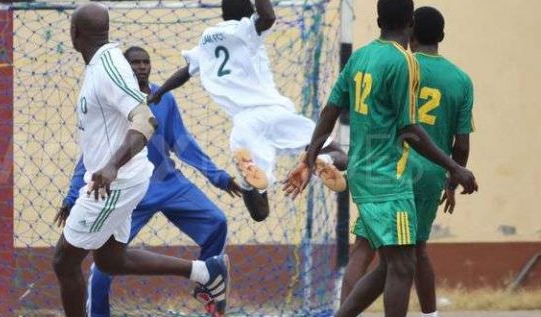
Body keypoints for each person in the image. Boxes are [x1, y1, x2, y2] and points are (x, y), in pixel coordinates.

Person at [53, 4, 230, 317]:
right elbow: (95, 144)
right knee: (109, 260)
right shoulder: (98, 66)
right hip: (114, 181)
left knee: (64, 261)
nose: (141, 67)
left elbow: (145, 121)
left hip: (115, 183)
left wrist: (112, 166)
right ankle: (205, 271)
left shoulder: (109, 66)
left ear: (74, 33)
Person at [302, 0, 478, 315]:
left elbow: (331, 108)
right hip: (390, 176)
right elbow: (409, 128)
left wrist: (311, 149)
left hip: (363, 172)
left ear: (379, 18)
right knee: (404, 263)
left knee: (386, 260)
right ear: (409, 21)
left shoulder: (361, 56)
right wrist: (453, 167)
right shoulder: (405, 62)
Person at [150, 0, 348, 222]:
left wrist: (160, 92)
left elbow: (186, 71)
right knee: (341, 155)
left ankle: (246, 179)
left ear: (223, 13)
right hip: (278, 113)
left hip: (245, 125)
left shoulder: (207, 38)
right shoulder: (246, 28)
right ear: (251, 11)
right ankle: (324, 159)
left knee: (260, 213)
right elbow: (268, 17)